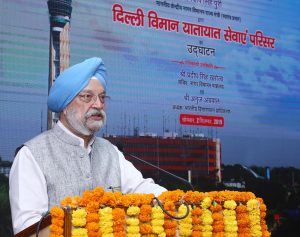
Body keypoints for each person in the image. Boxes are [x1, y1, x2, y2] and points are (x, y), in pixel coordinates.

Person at [9, 57, 167, 234]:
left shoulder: (111, 151)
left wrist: (179, 200)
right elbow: (28, 228)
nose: (98, 105)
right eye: (87, 97)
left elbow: (141, 189)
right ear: (65, 105)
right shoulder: (31, 155)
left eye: (102, 97)